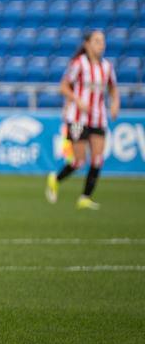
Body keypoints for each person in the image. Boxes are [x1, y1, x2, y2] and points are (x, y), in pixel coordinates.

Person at [46, 29, 119, 210]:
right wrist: (77, 100)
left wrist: (115, 104)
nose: (101, 45)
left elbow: (113, 89)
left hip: (98, 118)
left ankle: (85, 197)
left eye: (102, 41)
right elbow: (63, 86)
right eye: (97, 41)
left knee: (97, 159)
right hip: (78, 118)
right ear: (87, 44)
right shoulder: (78, 64)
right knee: (79, 161)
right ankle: (55, 179)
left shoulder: (107, 67)